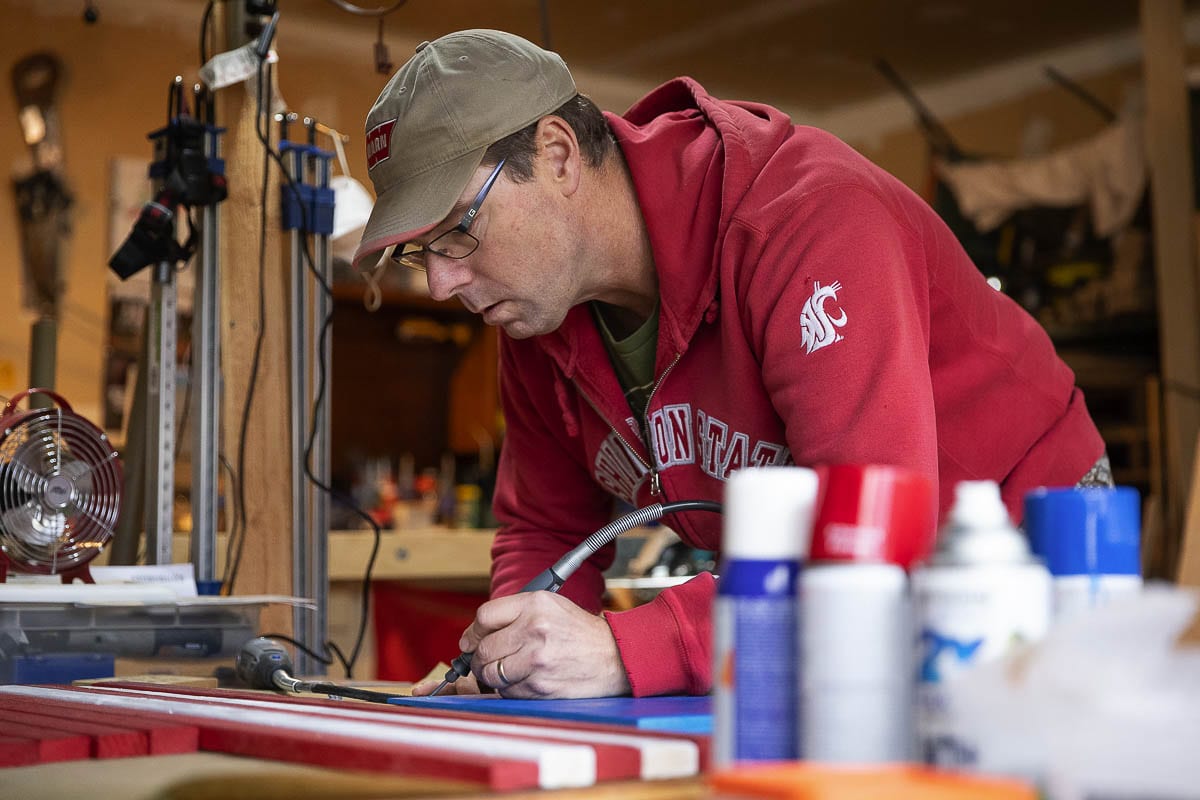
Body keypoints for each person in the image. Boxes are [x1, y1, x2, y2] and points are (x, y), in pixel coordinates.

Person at [352, 30, 1110, 700]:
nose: (441, 284)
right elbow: (548, 528)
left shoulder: (806, 221)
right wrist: (513, 661)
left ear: (556, 155)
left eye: (457, 231)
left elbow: (870, 551)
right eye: (422, 254)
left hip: (1022, 547)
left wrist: (630, 648)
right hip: (832, 596)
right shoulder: (536, 318)